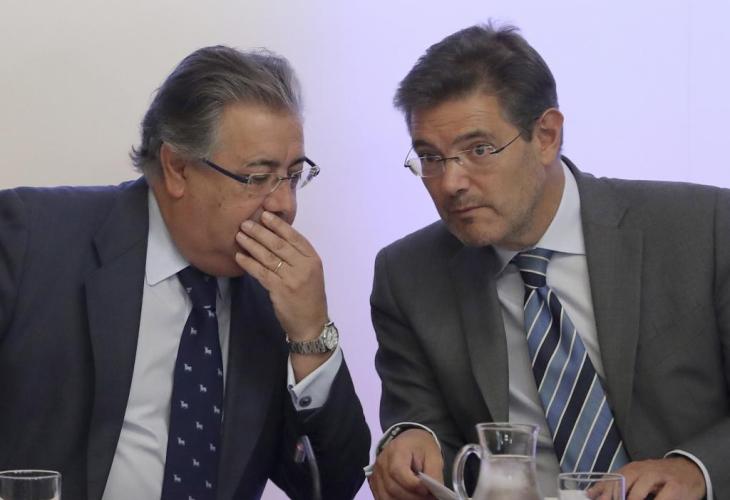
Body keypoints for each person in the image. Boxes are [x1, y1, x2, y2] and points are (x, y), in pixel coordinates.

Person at [368, 23, 728, 500]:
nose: (450, 183)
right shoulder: (408, 275)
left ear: (546, 135)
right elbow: (423, 425)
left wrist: (696, 470)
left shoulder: (704, 229)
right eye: (431, 157)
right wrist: (413, 441)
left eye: (479, 150)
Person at [0, 45, 370, 500]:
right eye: (258, 177)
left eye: (293, 176)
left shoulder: (275, 298)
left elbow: (331, 487)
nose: (285, 205)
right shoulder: (31, 240)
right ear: (177, 168)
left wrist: (311, 333)